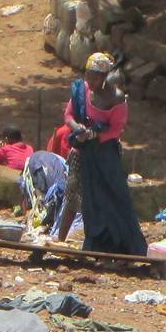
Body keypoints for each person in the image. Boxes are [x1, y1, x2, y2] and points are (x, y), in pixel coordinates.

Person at [58, 54, 147, 256]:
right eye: (89, 76)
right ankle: (81, 243)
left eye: (96, 77)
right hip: (82, 153)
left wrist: (94, 134)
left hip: (105, 154)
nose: (91, 81)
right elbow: (68, 115)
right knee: (81, 197)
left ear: (105, 77)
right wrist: (77, 129)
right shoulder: (82, 92)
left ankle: (121, 245)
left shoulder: (116, 98)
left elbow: (116, 129)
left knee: (112, 197)